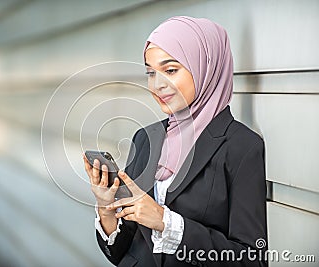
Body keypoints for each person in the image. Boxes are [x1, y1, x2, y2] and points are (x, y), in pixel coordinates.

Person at [83, 16, 267, 267]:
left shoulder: (242, 146)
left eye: (170, 70)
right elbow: (121, 253)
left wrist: (166, 222)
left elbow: (252, 260)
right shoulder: (146, 139)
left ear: (206, 67)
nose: (157, 85)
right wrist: (107, 210)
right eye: (150, 73)